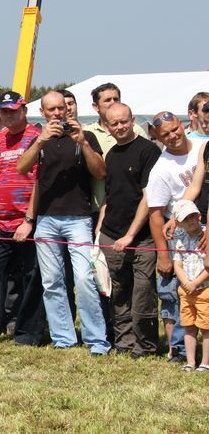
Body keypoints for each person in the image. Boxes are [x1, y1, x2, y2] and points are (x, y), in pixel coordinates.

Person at [16, 91, 110, 354]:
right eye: (52, 109)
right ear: (43, 113)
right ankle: (63, 338)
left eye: (62, 108)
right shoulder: (40, 138)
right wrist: (40, 141)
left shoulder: (85, 136)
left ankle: (96, 341)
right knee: (52, 282)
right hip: (46, 219)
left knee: (83, 279)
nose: (58, 113)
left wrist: (83, 142)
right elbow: (22, 169)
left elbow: (101, 172)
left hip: (78, 218)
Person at [0, 92, 45, 346]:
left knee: (31, 280)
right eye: (5, 111)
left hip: (29, 224)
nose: (9, 115)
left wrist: (29, 220)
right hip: (1, 223)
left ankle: (27, 334)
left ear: (23, 110)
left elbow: (40, 181)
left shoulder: (38, 138)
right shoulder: (0, 144)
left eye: (13, 110)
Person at [97, 103, 161, 358]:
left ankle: (145, 346)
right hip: (111, 235)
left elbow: (148, 198)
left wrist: (131, 235)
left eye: (124, 121)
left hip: (141, 238)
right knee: (119, 293)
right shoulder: (111, 154)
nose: (120, 127)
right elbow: (110, 196)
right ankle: (124, 343)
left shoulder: (149, 151)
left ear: (133, 120)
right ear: (108, 126)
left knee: (143, 294)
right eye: (115, 123)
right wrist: (100, 228)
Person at [146, 110, 200, 363]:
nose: (173, 136)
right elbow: (155, 214)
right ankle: (177, 349)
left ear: (182, 124)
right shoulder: (160, 169)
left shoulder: (202, 147)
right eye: (165, 134)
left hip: (205, 226)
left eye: (175, 129)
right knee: (173, 294)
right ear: (157, 136)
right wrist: (163, 255)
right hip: (177, 234)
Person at [82, 82, 147, 221]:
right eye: (107, 100)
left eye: (116, 99)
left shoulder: (136, 131)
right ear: (95, 107)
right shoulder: (86, 134)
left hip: (132, 211)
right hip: (97, 208)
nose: (112, 103)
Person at [169, 200, 209, 371]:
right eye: (186, 219)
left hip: (204, 290)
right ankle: (190, 362)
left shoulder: (207, 235)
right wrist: (186, 283)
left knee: (206, 328)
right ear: (178, 223)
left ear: (199, 215)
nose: (192, 221)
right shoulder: (180, 239)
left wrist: (195, 283)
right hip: (186, 292)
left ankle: (205, 363)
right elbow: (177, 264)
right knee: (189, 327)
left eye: (194, 216)